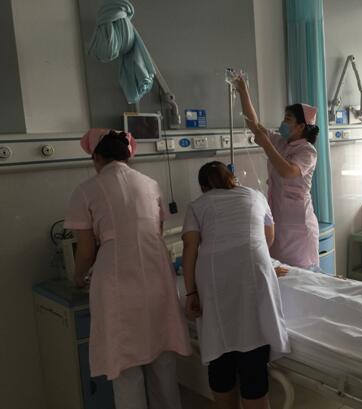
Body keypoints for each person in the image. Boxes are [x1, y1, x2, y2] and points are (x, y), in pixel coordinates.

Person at [64, 129, 192, 409]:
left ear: (96, 157)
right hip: (156, 274)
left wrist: (77, 277)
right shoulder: (150, 184)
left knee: (125, 367)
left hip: (116, 281)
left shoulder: (86, 190)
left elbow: (85, 251)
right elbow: (157, 231)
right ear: (128, 156)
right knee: (162, 358)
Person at [182, 161, 290, 409]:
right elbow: (269, 237)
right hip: (254, 269)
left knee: (219, 343)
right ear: (231, 178)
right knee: (253, 338)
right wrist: (256, 259)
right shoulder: (255, 196)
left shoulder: (198, 205)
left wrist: (190, 293)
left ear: (203, 186)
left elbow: (190, 246)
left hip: (214, 276)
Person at [234, 76, 320, 270]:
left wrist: (266, 144)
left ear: (301, 126)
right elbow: (254, 125)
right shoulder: (280, 141)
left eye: (288, 119)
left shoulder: (307, 151)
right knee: (281, 273)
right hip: (277, 219)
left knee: (302, 275)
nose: (283, 123)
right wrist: (243, 91)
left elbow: (288, 171)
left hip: (299, 226)